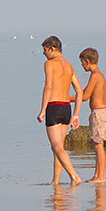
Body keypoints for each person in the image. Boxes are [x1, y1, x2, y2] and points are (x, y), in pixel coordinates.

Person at [37, 36, 83, 185]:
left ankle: (74, 177)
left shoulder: (49, 64)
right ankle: (55, 182)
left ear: (53, 49)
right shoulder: (69, 66)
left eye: (45, 50)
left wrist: (42, 110)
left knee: (56, 146)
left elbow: (49, 86)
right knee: (58, 148)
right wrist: (76, 114)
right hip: (66, 108)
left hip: (54, 107)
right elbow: (80, 91)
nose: (44, 54)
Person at [72, 47, 106, 183]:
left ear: (87, 62)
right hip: (100, 112)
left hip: (99, 113)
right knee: (97, 144)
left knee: (98, 145)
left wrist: (66, 98)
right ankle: (97, 175)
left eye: (82, 62)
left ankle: (101, 176)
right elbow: (84, 92)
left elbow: (85, 96)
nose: (82, 66)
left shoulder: (95, 75)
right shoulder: (98, 75)